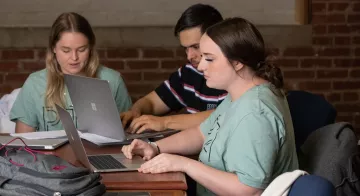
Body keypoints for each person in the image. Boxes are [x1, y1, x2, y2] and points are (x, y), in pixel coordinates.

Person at [122, 17, 299, 195]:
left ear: (237, 62)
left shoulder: (255, 111)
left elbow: (249, 190)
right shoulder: (239, 95)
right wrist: (155, 147)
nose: (200, 66)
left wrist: (184, 164)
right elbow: (202, 133)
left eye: (209, 59)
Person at [10, 12, 132, 133]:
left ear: (90, 47)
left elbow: (128, 134)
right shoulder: (35, 83)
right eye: (66, 50)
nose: (74, 58)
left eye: (81, 49)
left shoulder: (112, 80)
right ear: (54, 48)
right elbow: (22, 143)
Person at [121, 4, 227, 134]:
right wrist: (135, 112)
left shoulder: (232, 76)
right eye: (185, 48)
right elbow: (151, 102)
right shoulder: (188, 72)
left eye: (195, 46)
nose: (189, 56)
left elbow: (222, 116)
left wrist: (164, 122)